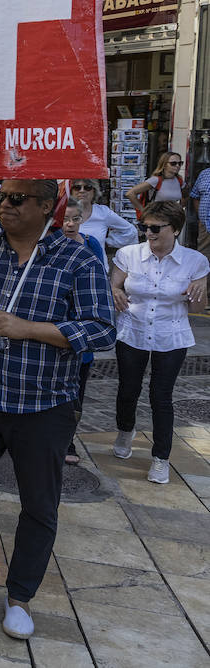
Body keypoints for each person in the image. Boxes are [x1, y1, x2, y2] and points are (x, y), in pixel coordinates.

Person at [0, 179, 115, 641]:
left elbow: (100, 331)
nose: (3, 206)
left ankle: (21, 596)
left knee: (38, 504)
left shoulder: (76, 258)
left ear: (46, 206)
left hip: (43, 406)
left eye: (15, 199)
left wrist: (27, 328)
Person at [110, 200, 208, 483]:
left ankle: (160, 458)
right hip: (132, 331)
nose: (148, 233)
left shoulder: (196, 262)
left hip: (171, 334)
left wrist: (200, 291)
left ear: (175, 229)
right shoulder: (129, 254)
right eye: (145, 227)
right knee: (129, 389)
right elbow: (115, 285)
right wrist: (115, 292)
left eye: (155, 228)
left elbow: (195, 310)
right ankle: (125, 431)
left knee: (161, 395)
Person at [60, 200, 105, 465]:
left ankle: (68, 440)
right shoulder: (49, 244)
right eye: (65, 218)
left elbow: (98, 283)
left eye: (76, 219)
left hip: (81, 332)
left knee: (77, 391)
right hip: (53, 328)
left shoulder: (91, 244)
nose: (70, 224)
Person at [72, 179, 136, 252]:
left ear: (94, 191)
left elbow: (130, 231)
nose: (82, 190)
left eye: (88, 187)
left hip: (98, 262)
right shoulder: (64, 212)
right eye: (77, 187)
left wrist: (107, 242)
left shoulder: (103, 212)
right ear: (71, 191)